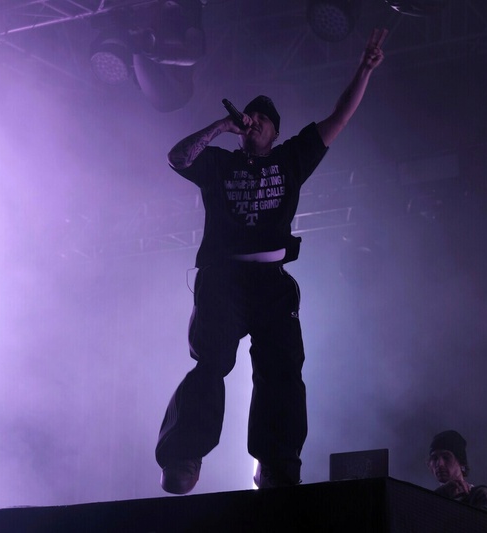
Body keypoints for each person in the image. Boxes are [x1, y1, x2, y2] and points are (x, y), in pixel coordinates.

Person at [155, 28, 389, 495]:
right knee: (211, 363)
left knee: (282, 370)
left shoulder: (290, 160)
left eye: (264, 118)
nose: (254, 121)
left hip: (270, 283)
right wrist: (220, 127)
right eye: (251, 115)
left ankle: (277, 464)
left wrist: (363, 70)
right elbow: (177, 157)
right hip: (223, 280)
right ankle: (184, 455)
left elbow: (339, 117)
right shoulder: (219, 163)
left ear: (276, 132)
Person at [427, 430, 487, 514]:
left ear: (461, 463)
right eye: (435, 458)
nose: (439, 464)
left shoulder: (480, 495)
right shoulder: (430, 501)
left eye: (446, 457)